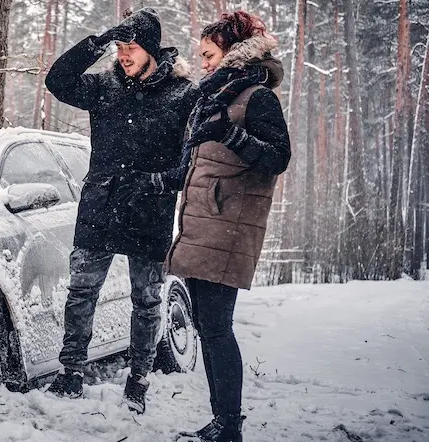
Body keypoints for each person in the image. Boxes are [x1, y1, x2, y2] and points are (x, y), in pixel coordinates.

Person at [43, 8, 198, 414]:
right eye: (120, 47)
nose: (124, 54)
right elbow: (56, 81)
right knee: (81, 292)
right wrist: (97, 41)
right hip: (100, 205)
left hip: (150, 208)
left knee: (146, 300)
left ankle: (139, 381)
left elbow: (193, 160)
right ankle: (71, 371)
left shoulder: (184, 94)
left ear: (150, 49)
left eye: (132, 47)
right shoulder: (103, 85)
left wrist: (162, 182)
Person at [165, 11, 291, 442]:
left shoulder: (257, 97)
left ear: (232, 54)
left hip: (228, 226)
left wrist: (233, 136)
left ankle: (228, 427)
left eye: (208, 54)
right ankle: (222, 422)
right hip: (202, 223)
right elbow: (199, 160)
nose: (201, 63)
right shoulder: (214, 98)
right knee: (205, 325)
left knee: (217, 328)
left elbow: (278, 158)